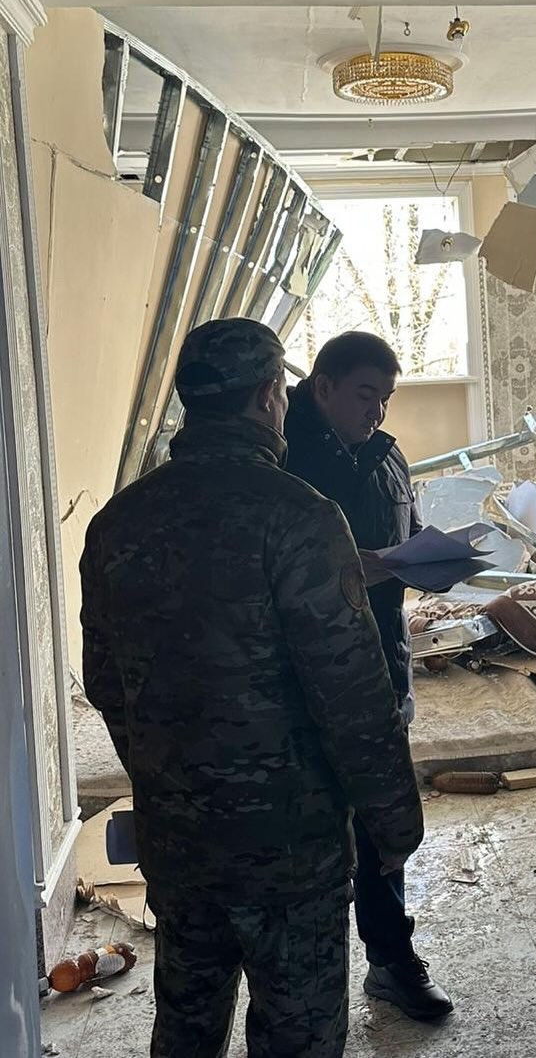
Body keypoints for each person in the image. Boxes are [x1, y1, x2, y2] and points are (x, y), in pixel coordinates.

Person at [81, 318, 424, 1058]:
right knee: (297, 1030)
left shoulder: (117, 524)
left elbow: (106, 682)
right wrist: (394, 819)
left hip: (180, 840)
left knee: (187, 1024)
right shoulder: (300, 518)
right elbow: (353, 693)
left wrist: (172, 775)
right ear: (271, 396)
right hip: (291, 846)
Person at [284, 330, 453, 1021]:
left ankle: (391, 958)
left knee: (384, 819)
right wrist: (361, 568)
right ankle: (301, 980)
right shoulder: (280, 457)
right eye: (364, 395)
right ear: (322, 387)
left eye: (385, 398)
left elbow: (405, 544)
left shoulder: (387, 457)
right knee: (310, 828)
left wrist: (428, 562)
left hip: (382, 663)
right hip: (302, 681)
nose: (376, 411)